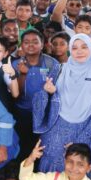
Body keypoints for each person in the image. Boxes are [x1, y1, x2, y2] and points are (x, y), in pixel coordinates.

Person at [32, 33, 91, 172]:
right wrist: (48, 91)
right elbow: (42, 95)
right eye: (74, 48)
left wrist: (82, 141)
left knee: (76, 169)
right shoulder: (60, 69)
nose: (79, 51)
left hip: (85, 130)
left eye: (84, 47)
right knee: (50, 172)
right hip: (56, 131)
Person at [12, 29, 59, 161]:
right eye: (26, 42)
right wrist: (23, 74)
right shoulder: (15, 64)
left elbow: (56, 91)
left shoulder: (51, 64)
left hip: (44, 114)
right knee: (22, 146)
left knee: (40, 147)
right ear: (21, 45)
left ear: (42, 44)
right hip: (22, 113)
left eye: (35, 42)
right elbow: (16, 94)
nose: (30, 45)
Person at [19, 141, 91, 180]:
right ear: (65, 161)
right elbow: (26, 178)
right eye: (70, 162)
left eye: (80, 164)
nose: (74, 168)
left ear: (89, 168)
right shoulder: (55, 178)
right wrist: (31, 158)